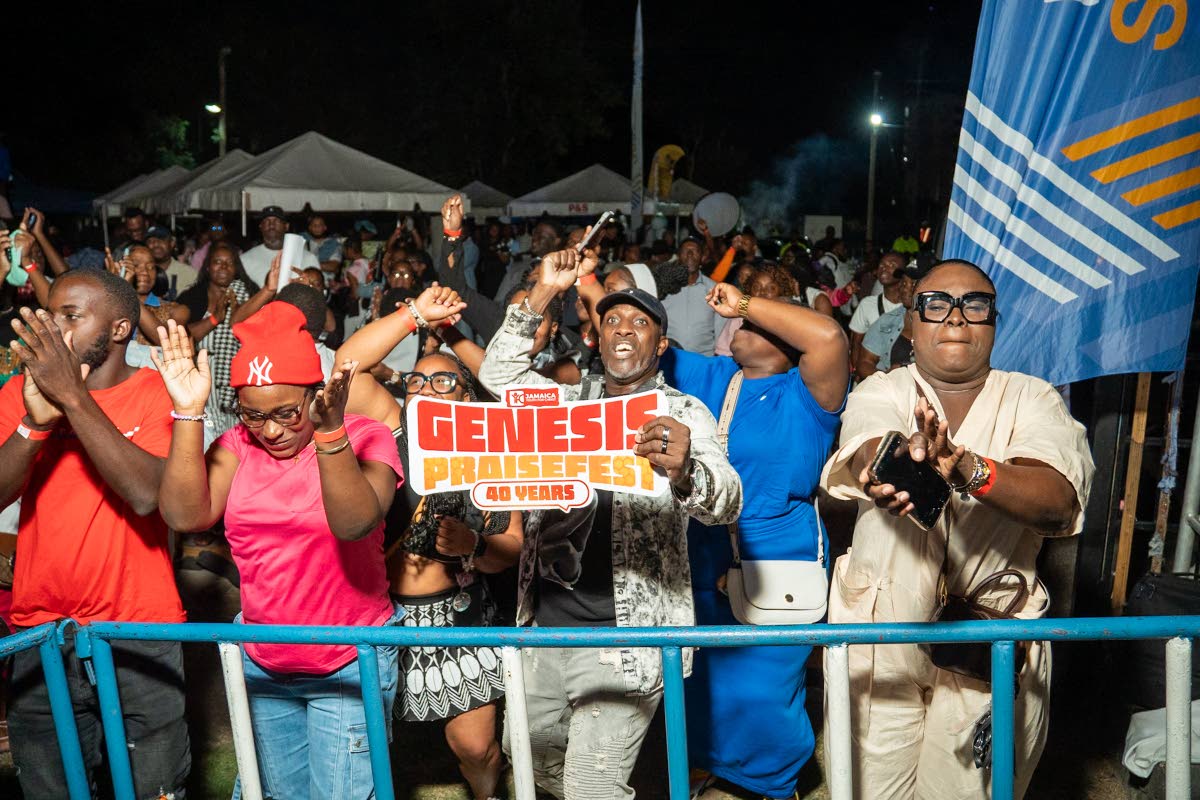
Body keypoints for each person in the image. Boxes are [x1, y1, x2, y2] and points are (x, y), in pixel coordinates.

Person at [819, 259, 1095, 799]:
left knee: (969, 789)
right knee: (869, 788)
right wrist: (893, 470)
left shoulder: (1033, 399)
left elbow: (1058, 501)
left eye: (975, 306)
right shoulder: (882, 390)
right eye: (936, 304)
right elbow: (870, 448)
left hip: (988, 637)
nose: (955, 318)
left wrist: (969, 468)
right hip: (882, 633)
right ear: (910, 323)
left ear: (994, 323)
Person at [479, 246, 742, 799]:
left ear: (661, 344)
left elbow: (727, 502)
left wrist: (686, 470)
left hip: (626, 639)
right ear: (596, 337)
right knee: (527, 763)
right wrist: (545, 291)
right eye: (612, 319)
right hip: (543, 630)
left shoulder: (682, 413)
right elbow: (498, 372)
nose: (624, 329)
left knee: (591, 784)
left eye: (640, 322)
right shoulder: (566, 405)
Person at [153, 302, 405, 799]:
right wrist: (188, 411)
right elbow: (185, 516)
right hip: (263, 659)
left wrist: (330, 433)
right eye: (254, 415)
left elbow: (354, 524)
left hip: (348, 660)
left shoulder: (365, 437)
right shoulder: (237, 445)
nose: (270, 431)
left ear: (316, 395)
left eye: (287, 413)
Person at [0, 268, 190, 799]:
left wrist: (72, 399)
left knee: (153, 788)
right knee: (52, 789)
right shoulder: (21, 393)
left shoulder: (159, 392)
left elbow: (147, 492)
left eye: (71, 316)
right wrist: (34, 425)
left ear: (121, 329)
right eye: (49, 313)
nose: (52, 326)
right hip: (41, 630)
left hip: (138, 628)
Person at [661, 279, 848, 799]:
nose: (741, 327)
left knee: (761, 695)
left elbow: (829, 338)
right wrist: (592, 287)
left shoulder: (806, 395)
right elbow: (645, 347)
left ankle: (766, 785)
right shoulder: (720, 377)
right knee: (703, 686)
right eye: (741, 322)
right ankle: (708, 776)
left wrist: (743, 302)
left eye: (758, 322)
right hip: (702, 553)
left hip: (776, 562)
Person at [338, 294, 519, 800]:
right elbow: (347, 365)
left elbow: (513, 546)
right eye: (417, 381)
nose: (426, 389)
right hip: (382, 614)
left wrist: (474, 542)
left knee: (475, 746)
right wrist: (413, 316)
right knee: (366, 741)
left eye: (443, 381)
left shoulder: (489, 454)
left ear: (465, 396)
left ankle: (487, 790)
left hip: (457, 616)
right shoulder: (392, 430)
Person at [176, 243, 269, 438]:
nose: (223, 267)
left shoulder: (248, 297)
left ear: (236, 268)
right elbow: (182, 338)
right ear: (208, 267)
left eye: (229, 263)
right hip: (200, 377)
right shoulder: (192, 297)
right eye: (217, 262)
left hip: (236, 379)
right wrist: (214, 319)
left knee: (235, 436)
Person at [660, 238, 725, 356]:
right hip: (669, 357)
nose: (690, 254)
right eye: (685, 251)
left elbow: (721, 328)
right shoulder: (665, 287)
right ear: (679, 256)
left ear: (702, 257)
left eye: (695, 251)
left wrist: (718, 357)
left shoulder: (713, 289)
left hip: (704, 359)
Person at [857, 267, 918, 379]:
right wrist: (887, 378)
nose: (905, 289)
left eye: (913, 284)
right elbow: (865, 363)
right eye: (903, 283)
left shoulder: (943, 323)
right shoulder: (887, 321)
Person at [848, 251, 907, 364]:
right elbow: (856, 344)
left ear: (903, 273)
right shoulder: (867, 305)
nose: (884, 268)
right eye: (882, 264)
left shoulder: (910, 307)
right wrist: (857, 374)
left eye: (892, 265)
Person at [240, 206, 318, 288]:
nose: (271, 225)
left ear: (286, 226)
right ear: (261, 226)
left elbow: (318, 291)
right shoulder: (244, 260)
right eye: (267, 221)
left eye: (277, 221)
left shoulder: (308, 258)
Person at [146, 225, 197, 299]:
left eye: (161, 240)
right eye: (151, 241)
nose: (156, 244)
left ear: (172, 243)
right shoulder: (141, 274)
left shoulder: (190, 274)